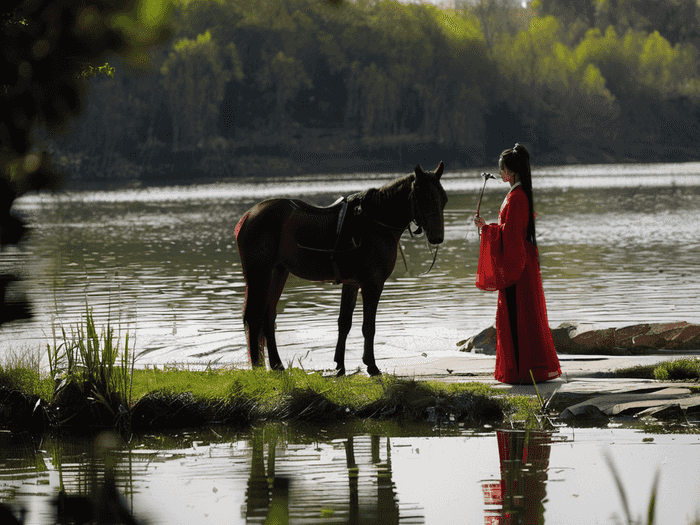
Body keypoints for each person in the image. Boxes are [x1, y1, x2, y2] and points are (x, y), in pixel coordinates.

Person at [473, 144, 561, 384]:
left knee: (518, 316)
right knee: (523, 316)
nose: (500, 174)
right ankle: (525, 370)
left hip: (517, 265)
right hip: (521, 261)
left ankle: (523, 371)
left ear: (510, 171)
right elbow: (511, 232)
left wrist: (487, 229)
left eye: (502, 170)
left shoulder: (517, 197)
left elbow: (511, 236)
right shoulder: (517, 195)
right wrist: (490, 228)